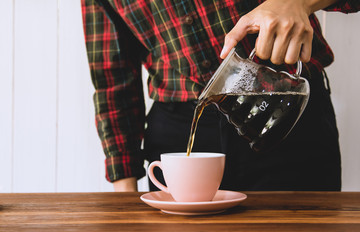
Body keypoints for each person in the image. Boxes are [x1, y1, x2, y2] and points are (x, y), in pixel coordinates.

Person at [81, 0, 359, 192]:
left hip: (285, 112)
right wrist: (125, 191)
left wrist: (297, 3)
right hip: (179, 133)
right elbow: (112, 78)